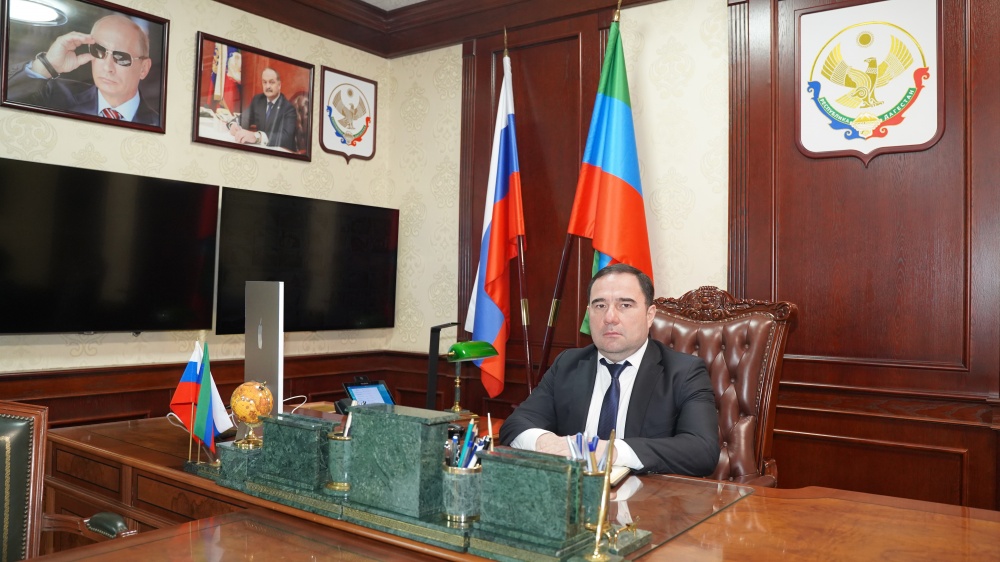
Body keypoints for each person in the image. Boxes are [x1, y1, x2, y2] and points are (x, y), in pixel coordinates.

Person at [499, 263, 719, 476]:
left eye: (625, 305)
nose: (610, 318)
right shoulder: (567, 364)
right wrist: (547, 442)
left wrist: (611, 451)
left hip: (647, 496)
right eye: (600, 306)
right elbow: (515, 425)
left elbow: (702, 451)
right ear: (589, 313)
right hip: (574, 494)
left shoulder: (684, 372)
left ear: (649, 314)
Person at [6, 15, 159, 126]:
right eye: (99, 51)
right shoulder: (53, 94)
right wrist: (47, 65)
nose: (107, 67)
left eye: (121, 57)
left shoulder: (160, 124)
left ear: (143, 68)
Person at [226, 68, 298, 152]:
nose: (267, 86)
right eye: (264, 82)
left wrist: (257, 137)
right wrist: (233, 124)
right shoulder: (258, 100)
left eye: (271, 82)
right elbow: (244, 118)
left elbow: (286, 137)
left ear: (279, 85)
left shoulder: (288, 108)